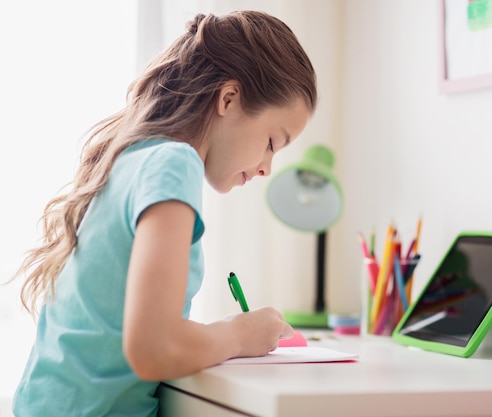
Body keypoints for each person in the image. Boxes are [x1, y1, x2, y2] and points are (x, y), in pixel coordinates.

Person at [11, 10, 316, 416]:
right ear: (228, 98)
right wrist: (239, 335)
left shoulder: (131, 158)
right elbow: (154, 348)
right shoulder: (174, 164)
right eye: (273, 142)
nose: (266, 167)